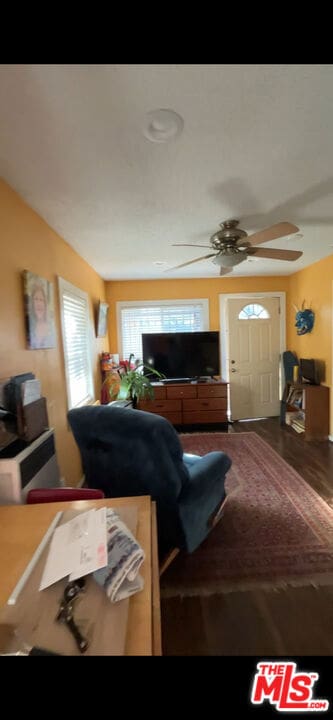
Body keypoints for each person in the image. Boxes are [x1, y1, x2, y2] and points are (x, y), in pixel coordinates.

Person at [29, 282, 55, 349]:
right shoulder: (30, 326)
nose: (39, 304)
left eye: (41, 300)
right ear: (32, 303)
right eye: (36, 299)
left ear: (45, 304)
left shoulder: (51, 326)